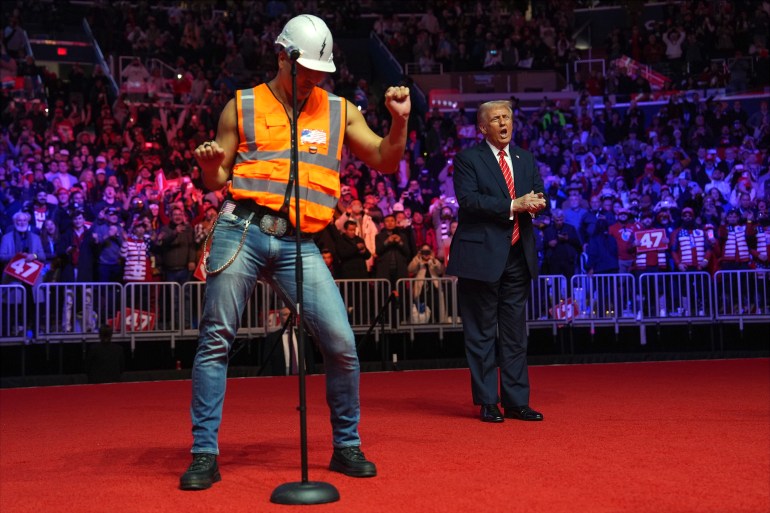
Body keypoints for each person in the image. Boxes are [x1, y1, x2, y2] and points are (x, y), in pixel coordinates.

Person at [180, 14, 410, 490]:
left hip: (300, 242)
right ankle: (204, 454)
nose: (312, 80)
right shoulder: (239, 106)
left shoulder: (340, 110)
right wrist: (207, 168)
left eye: (320, 73)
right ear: (282, 56)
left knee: (343, 345)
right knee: (216, 339)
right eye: (305, 70)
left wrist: (399, 121)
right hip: (239, 229)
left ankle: (346, 445)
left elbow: (386, 161)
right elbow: (217, 181)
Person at [446, 100, 547, 424]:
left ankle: (517, 402)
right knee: (482, 334)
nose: (503, 123)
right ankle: (488, 401)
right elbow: (469, 201)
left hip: (518, 255)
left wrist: (536, 204)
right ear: (482, 127)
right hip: (480, 258)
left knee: (516, 335)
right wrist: (514, 204)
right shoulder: (467, 160)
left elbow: (540, 194)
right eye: (496, 119)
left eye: (507, 117)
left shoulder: (525, 159)